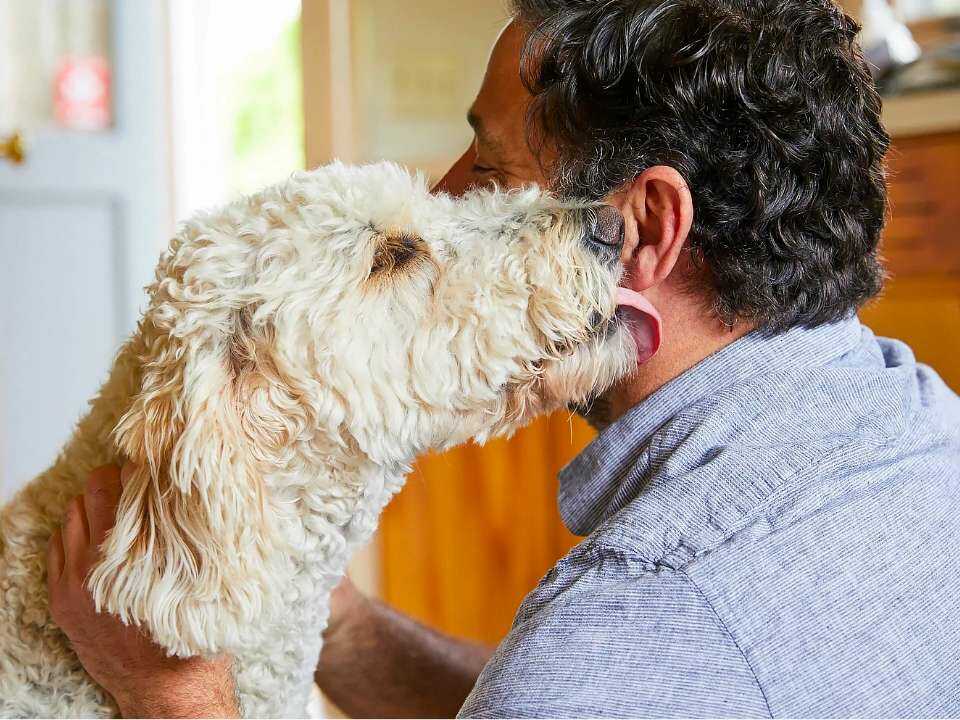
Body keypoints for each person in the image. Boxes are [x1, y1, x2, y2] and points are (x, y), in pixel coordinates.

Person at [48, 1, 960, 717]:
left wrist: (172, 699)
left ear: (642, 228)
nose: (442, 200)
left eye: (486, 172)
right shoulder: (915, 421)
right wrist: (336, 629)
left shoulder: (640, 626)